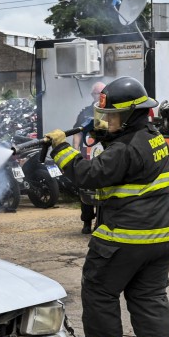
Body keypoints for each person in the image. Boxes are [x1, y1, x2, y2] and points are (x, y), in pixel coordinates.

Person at [45, 76, 169, 337]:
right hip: (161, 238)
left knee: (99, 292)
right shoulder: (151, 136)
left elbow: (88, 174)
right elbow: (123, 157)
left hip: (125, 238)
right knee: (150, 298)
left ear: (131, 115)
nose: (106, 121)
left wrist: (61, 148)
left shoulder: (124, 148)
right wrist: (103, 133)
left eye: (112, 117)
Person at [72, 82, 105, 234]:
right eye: (97, 93)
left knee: (103, 189)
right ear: (92, 95)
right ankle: (86, 222)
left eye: (102, 92)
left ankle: (100, 221)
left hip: (105, 157)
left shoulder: (110, 111)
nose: (100, 95)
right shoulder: (85, 112)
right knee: (85, 187)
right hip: (87, 156)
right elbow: (78, 132)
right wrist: (76, 149)